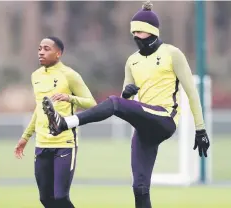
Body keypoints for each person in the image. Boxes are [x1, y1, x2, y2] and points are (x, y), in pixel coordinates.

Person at [42, 2, 210, 208]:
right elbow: (125, 104)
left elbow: (192, 93)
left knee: (113, 102)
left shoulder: (172, 53)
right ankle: (64, 123)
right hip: (144, 126)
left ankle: (65, 123)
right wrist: (126, 94)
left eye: (139, 31)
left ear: (151, 31)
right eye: (133, 31)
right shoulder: (132, 61)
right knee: (139, 189)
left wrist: (200, 129)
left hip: (164, 119)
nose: (135, 36)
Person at [14, 36, 96, 208]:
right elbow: (38, 109)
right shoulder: (35, 76)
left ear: (58, 53)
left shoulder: (70, 75)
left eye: (46, 49)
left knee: (60, 198)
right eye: (39, 49)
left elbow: (91, 103)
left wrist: (69, 97)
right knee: (45, 198)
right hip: (42, 144)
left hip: (64, 144)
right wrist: (25, 137)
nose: (41, 52)